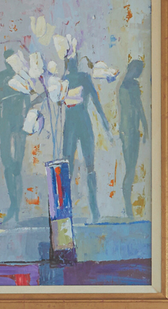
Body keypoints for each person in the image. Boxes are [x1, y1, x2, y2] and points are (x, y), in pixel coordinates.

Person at [61, 56, 111, 223]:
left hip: (80, 123)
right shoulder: (66, 79)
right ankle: (66, 210)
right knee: (68, 166)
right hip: (74, 124)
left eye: (73, 60)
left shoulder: (81, 77)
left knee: (89, 164)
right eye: (70, 61)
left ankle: (94, 210)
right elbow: (58, 101)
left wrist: (104, 120)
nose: (72, 63)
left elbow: (96, 100)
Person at [0, 50, 27, 224]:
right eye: (7, 61)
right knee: (7, 162)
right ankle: (13, 204)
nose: (9, 63)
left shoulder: (23, 76)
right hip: (4, 120)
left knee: (17, 165)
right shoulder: (0, 76)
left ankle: (17, 210)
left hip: (18, 122)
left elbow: (27, 98)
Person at [117, 58, 149, 218]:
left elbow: (139, 108)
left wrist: (145, 128)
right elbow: (134, 108)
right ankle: (128, 208)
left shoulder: (130, 85)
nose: (139, 74)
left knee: (131, 169)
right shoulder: (126, 86)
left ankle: (128, 208)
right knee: (130, 169)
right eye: (138, 71)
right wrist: (145, 127)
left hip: (131, 131)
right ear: (133, 69)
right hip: (127, 132)